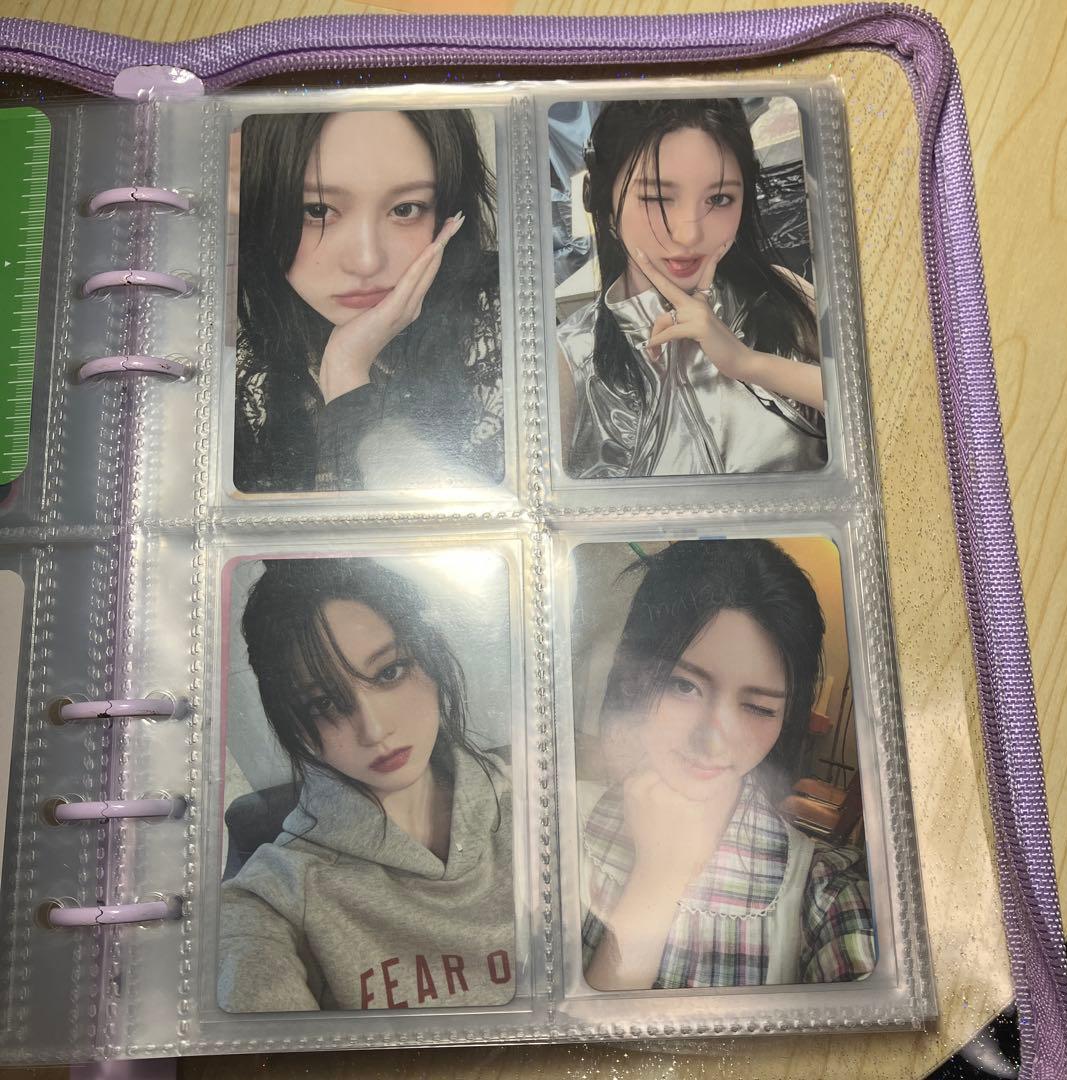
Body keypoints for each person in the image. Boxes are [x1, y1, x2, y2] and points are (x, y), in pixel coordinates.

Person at [218, 558, 515, 1012]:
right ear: (294, 725)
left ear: (431, 658)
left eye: (389, 672)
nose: (374, 730)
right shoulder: (278, 895)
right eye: (323, 703)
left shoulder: (539, 803)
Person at [579, 540, 874, 990]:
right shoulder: (551, 831)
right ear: (633, 674)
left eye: (758, 707)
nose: (712, 740)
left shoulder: (827, 896)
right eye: (683, 686)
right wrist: (656, 877)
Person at [235, 109, 504, 493]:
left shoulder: (508, 319)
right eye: (317, 210)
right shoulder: (233, 368)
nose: (366, 261)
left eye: (405, 209)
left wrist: (346, 373)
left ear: (445, 214)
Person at [557, 98, 827, 479]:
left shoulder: (783, 295)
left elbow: (878, 410)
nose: (689, 234)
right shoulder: (571, 358)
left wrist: (749, 364)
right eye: (657, 198)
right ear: (604, 202)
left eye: (719, 199)